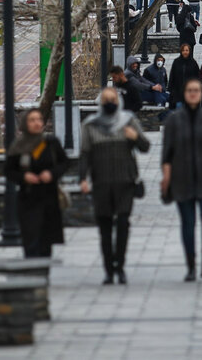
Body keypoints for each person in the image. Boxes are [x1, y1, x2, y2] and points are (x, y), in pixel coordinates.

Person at [79, 88, 150, 285]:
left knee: (122, 224)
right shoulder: (90, 125)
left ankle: (120, 265)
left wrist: (134, 137)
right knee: (105, 227)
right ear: (100, 103)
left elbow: (145, 147)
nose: (110, 102)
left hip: (125, 181)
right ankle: (109, 269)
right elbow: (85, 154)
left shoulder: (128, 121)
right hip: (101, 182)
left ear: (118, 101)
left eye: (113, 99)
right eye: (106, 99)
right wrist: (82, 179)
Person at [161, 79, 202, 282]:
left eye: (196, 90)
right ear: (184, 92)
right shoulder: (174, 120)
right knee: (188, 224)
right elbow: (167, 154)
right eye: (189, 90)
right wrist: (166, 181)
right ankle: (191, 266)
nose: (192, 93)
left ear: (201, 93)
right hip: (182, 179)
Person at [4, 109, 70, 258]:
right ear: (25, 124)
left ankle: (43, 276)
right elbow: (9, 171)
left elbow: (64, 163)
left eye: (39, 119)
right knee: (31, 240)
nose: (36, 123)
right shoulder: (18, 146)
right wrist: (24, 176)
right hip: (28, 199)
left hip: (49, 198)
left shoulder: (51, 143)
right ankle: (31, 274)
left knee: (46, 242)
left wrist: (51, 174)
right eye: (32, 120)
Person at [168, 42, 201, 109]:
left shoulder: (193, 63)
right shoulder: (176, 62)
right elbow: (172, 76)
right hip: (178, 93)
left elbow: (197, 77)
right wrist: (171, 90)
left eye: (187, 50)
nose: (185, 52)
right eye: (183, 50)